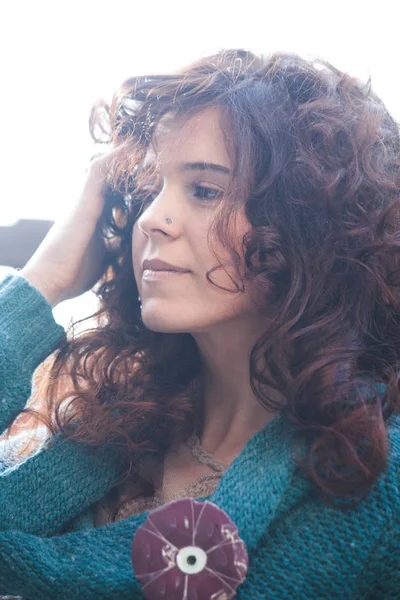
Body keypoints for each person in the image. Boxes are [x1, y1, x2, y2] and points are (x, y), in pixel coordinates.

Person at [0, 48, 399, 599]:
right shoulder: (80, 413)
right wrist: (41, 283)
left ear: (309, 223)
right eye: (148, 189)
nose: (153, 219)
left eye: (204, 190)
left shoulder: (377, 477)